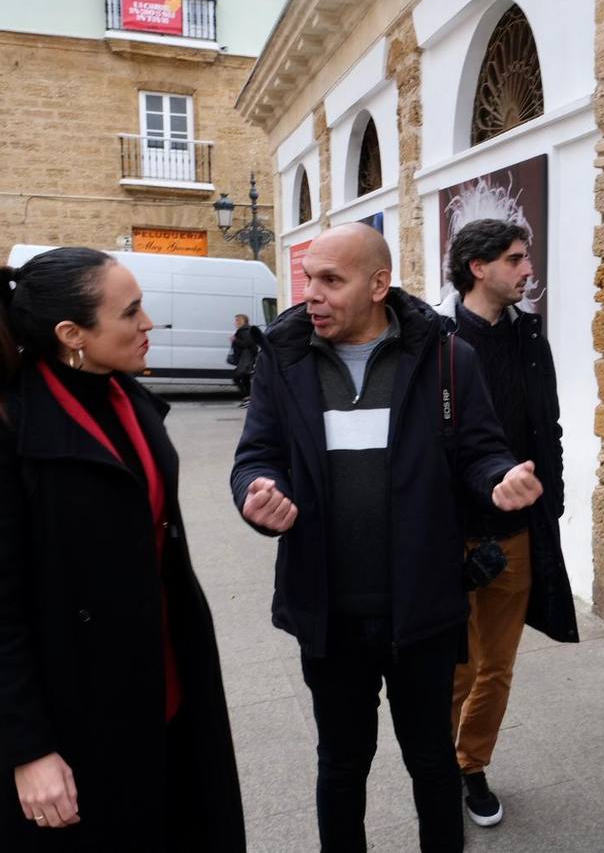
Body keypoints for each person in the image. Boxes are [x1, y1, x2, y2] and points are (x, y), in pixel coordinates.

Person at [230, 222, 543, 852]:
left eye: (330, 280)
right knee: (341, 767)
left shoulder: (448, 358)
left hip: (422, 612)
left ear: (378, 286)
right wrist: (256, 492)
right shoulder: (283, 359)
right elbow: (255, 455)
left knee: (431, 763)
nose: (311, 294)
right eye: (309, 278)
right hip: (329, 612)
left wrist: (499, 480)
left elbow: (479, 452)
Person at [0, 247, 245, 852]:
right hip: (63, 703)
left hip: (160, 680)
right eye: (130, 312)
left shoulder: (129, 399)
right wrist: (27, 750)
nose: (148, 324)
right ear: (71, 334)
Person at [433, 219, 578, 828]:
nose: (527, 270)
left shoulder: (529, 337)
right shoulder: (433, 342)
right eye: (516, 260)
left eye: (526, 258)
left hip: (517, 531)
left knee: (497, 664)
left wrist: (556, 496)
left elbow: (549, 424)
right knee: (454, 666)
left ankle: (472, 765)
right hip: (448, 532)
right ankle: (437, 766)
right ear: (478, 267)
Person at [228, 312, 261, 404]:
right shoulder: (247, 330)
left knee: (236, 377)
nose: (235, 322)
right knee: (246, 379)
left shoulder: (244, 331)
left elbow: (248, 344)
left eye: (237, 320)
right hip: (246, 358)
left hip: (245, 359)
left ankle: (247, 396)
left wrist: (235, 340)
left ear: (242, 321)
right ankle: (250, 398)